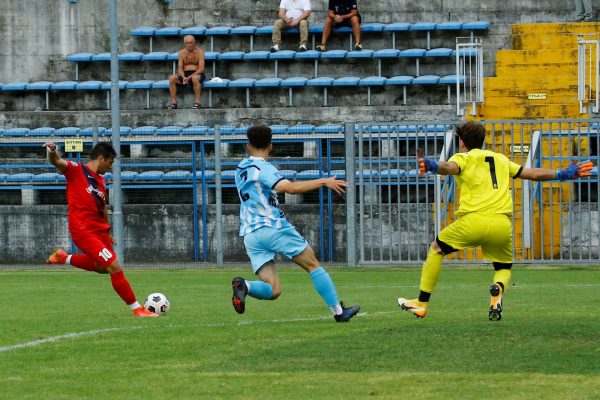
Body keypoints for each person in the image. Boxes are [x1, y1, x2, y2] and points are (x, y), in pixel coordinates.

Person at [397, 121, 593, 321]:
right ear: (482, 141)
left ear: (462, 142)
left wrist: (431, 165)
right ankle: (497, 290)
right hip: (501, 224)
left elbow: (449, 167)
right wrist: (563, 173)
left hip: (473, 221)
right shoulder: (500, 159)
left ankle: (421, 303)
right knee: (503, 268)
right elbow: (532, 174)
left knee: (436, 249)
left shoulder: (463, 157)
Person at [231, 125, 360, 322]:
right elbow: (288, 188)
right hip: (271, 227)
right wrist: (323, 181)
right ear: (271, 146)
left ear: (248, 146)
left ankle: (245, 286)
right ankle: (339, 313)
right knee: (313, 264)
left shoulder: (240, 168)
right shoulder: (263, 168)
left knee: (273, 290)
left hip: (250, 234)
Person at [43, 141, 159, 318]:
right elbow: (57, 161)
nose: (110, 167)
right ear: (100, 158)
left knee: (102, 267)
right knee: (114, 266)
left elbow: (103, 209)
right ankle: (137, 309)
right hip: (83, 230)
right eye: (110, 162)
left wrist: (108, 231)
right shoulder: (76, 170)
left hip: (100, 230)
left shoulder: (102, 182)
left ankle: (63, 258)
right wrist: (52, 151)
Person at [168, 35, 206, 110]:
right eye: (187, 43)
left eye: (191, 43)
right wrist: (183, 77)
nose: (189, 45)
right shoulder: (181, 53)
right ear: (184, 44)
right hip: (185, 74)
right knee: (172, 78)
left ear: (194, 43)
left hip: (197, 73)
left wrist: (190, 76)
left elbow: (201, 69)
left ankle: (197, 103)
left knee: (195, 78)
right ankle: (174, 103)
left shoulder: (200, 52)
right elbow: (180, 68)